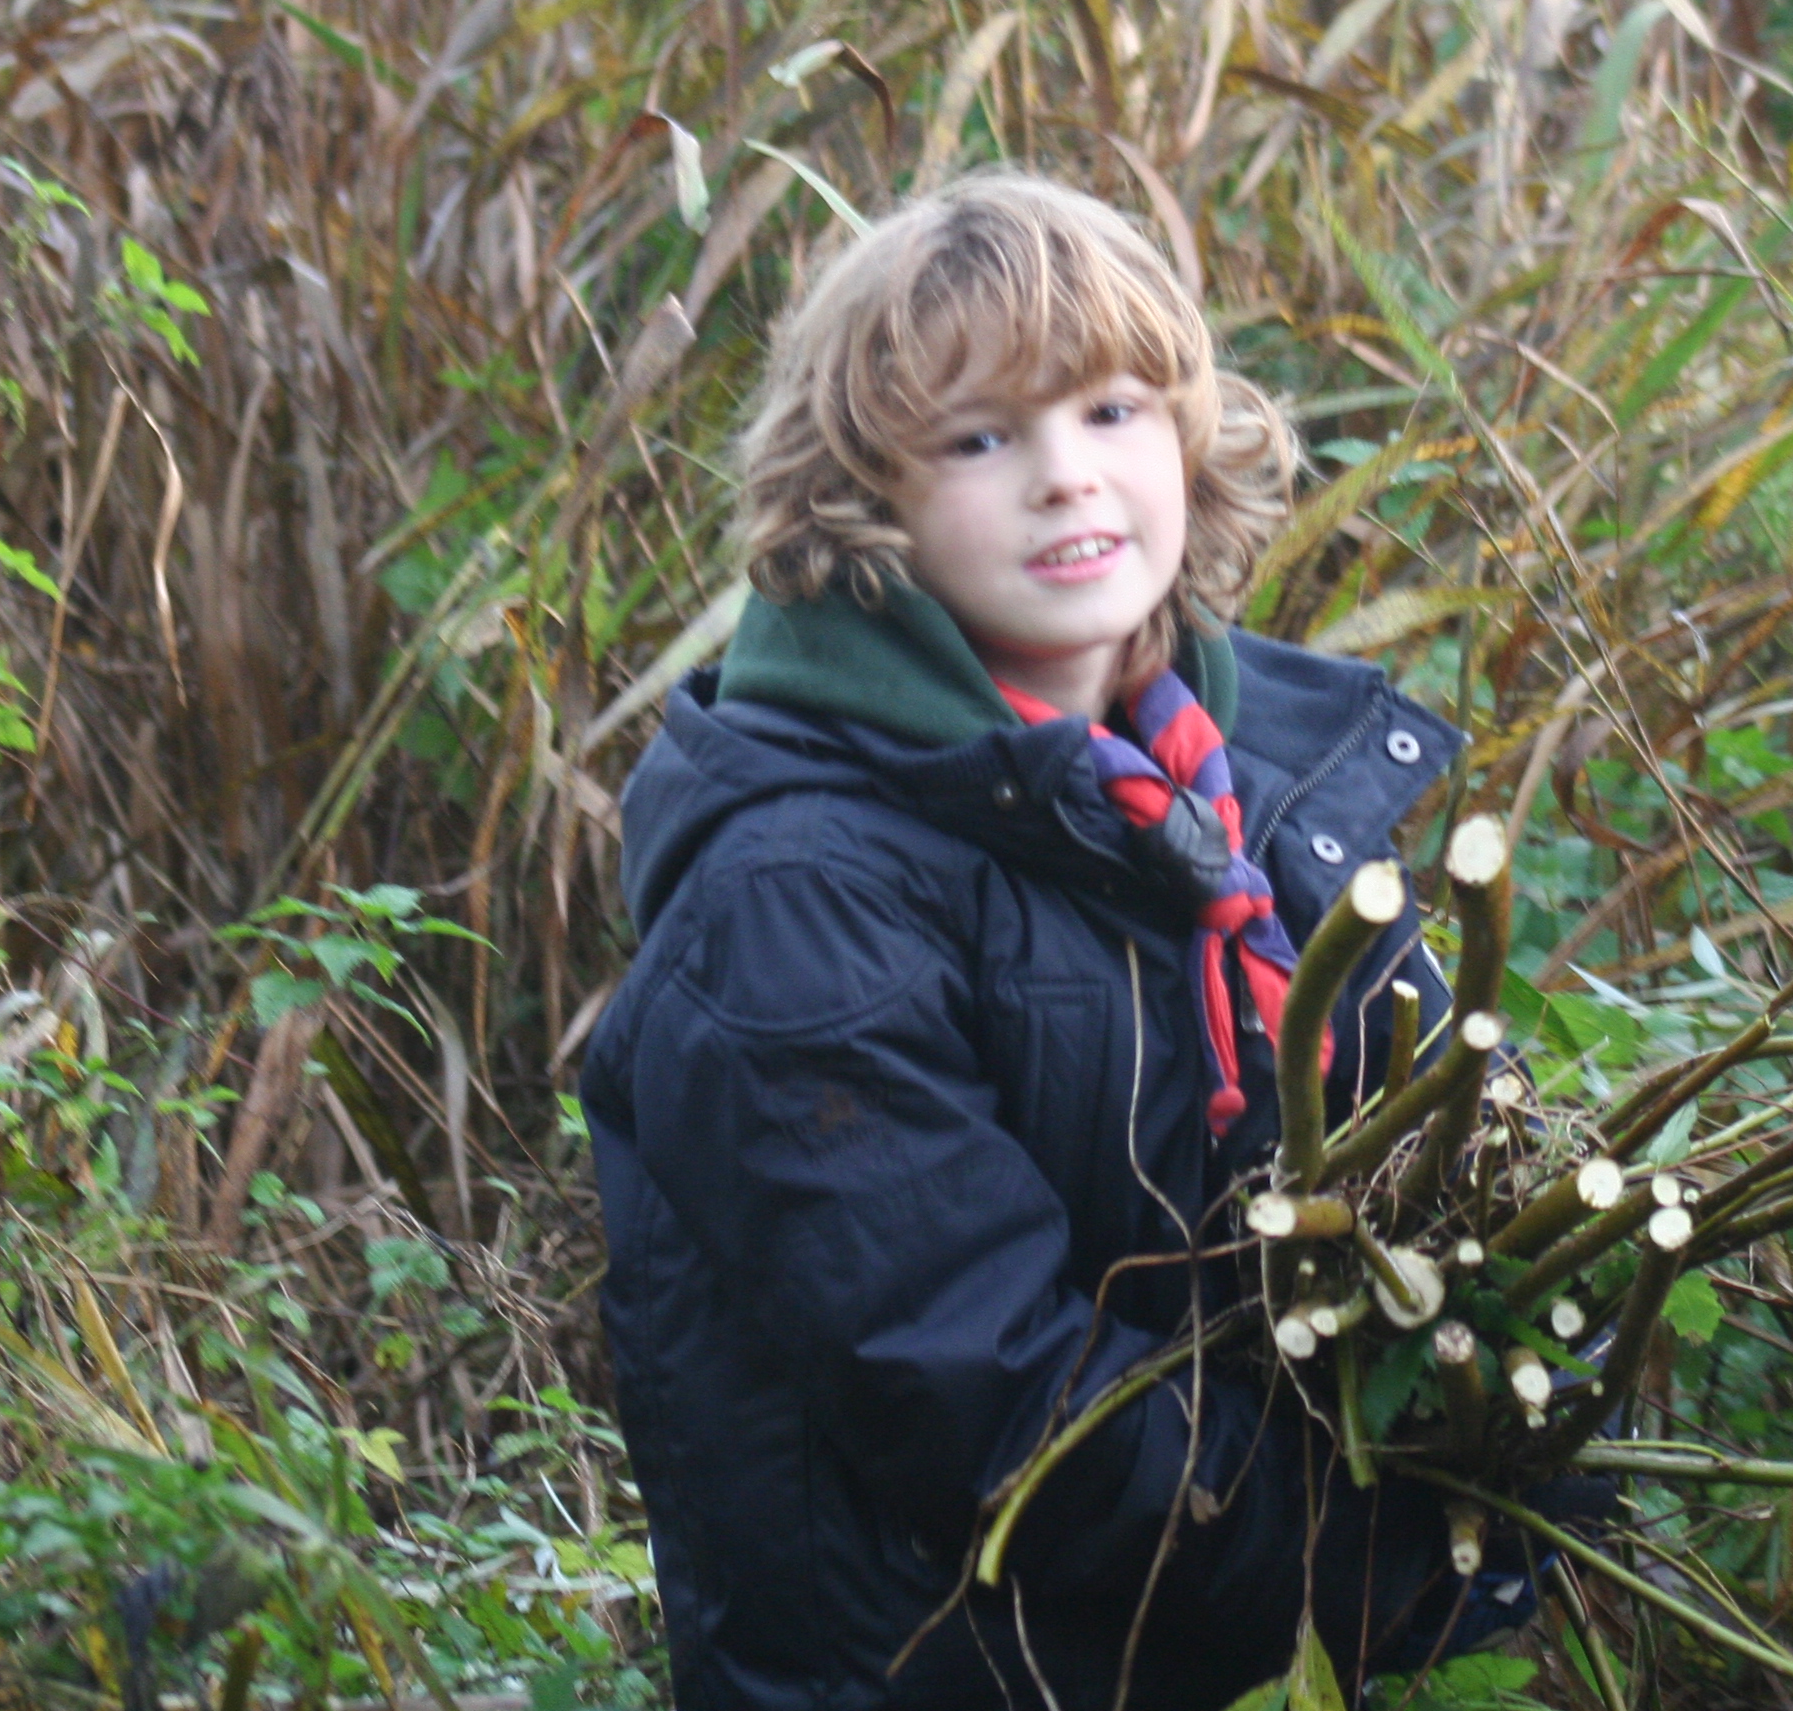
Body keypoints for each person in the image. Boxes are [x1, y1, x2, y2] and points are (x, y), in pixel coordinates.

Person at [581, 175, 1598, 1711]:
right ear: (861, 501)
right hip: (961, 1675)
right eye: (982, 440)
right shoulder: (793, 897)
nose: (1068, 479)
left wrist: (1529, 1447)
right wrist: (1385, 1568)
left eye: (1114, 411)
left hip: (1240, 1643)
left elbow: (1452, 1179)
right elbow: (991, 1401)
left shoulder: (1248, 797)